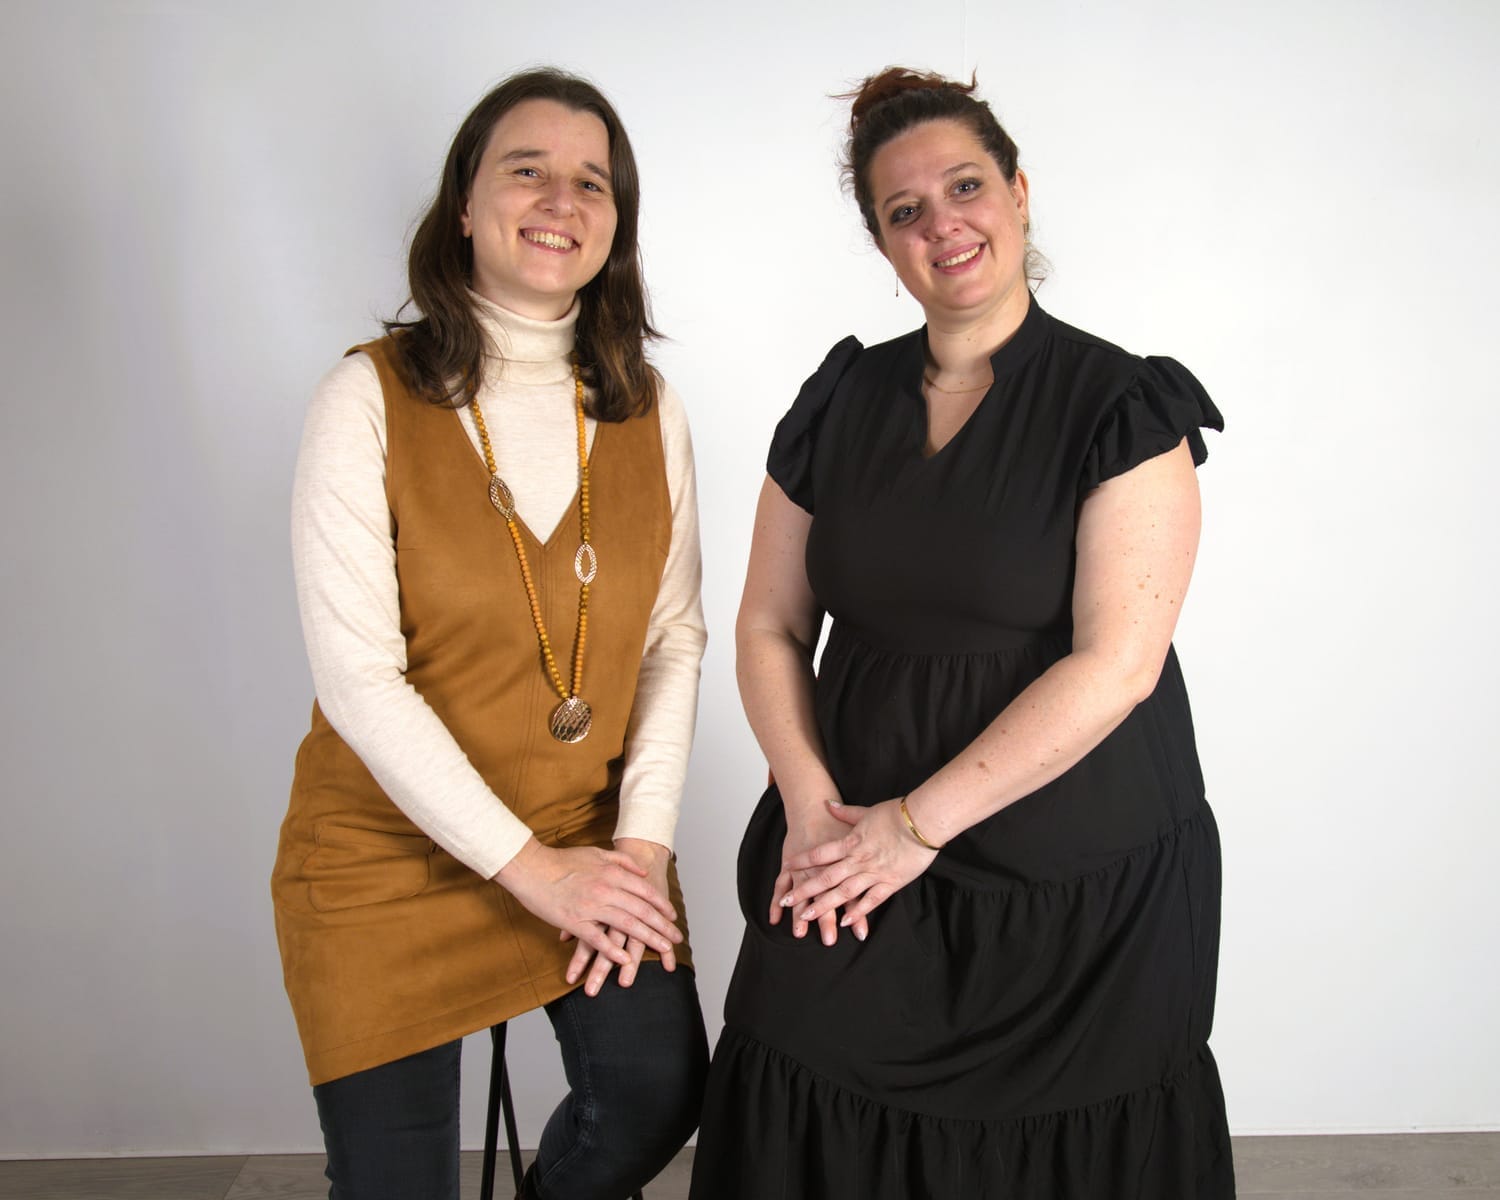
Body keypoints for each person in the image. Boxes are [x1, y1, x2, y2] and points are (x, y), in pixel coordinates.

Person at [691, 67, 1234, 1198]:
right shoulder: (839, 401)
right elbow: (768, 624)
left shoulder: (1121, 406)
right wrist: (810, 802)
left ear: (1019, 194)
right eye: (905, 209)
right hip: (846, 834)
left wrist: (917, 827)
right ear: (882, 243)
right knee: (798, 1076)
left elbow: (1119, 666)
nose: (942, 223)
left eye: (966, 186)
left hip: (1072, 873)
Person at [271, 68, 708, 1200]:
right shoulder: (363, 398)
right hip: (387, 857)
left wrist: (641, 850)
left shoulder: (648, 408)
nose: (561, 200)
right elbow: (359, 681)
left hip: (587, 833)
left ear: (616, 223)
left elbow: (673, 639)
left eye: (592, 182)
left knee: (658, 1094)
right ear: (464, 204)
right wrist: (531, 874)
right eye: (527, 170)